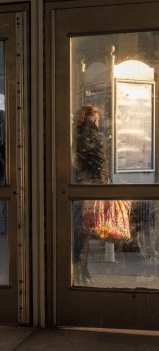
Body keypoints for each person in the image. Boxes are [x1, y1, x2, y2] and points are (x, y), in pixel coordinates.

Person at [72, 104, 109, 285]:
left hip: (79, 188)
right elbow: (101, 164)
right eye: (98, 116)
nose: (99, 119)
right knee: (85, 232)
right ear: (93, 116)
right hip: (91, 189)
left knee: (80, 233)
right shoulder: (94, 135)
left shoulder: (77, 134)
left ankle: (80, 270)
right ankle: (82, 272)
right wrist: (103, 189)